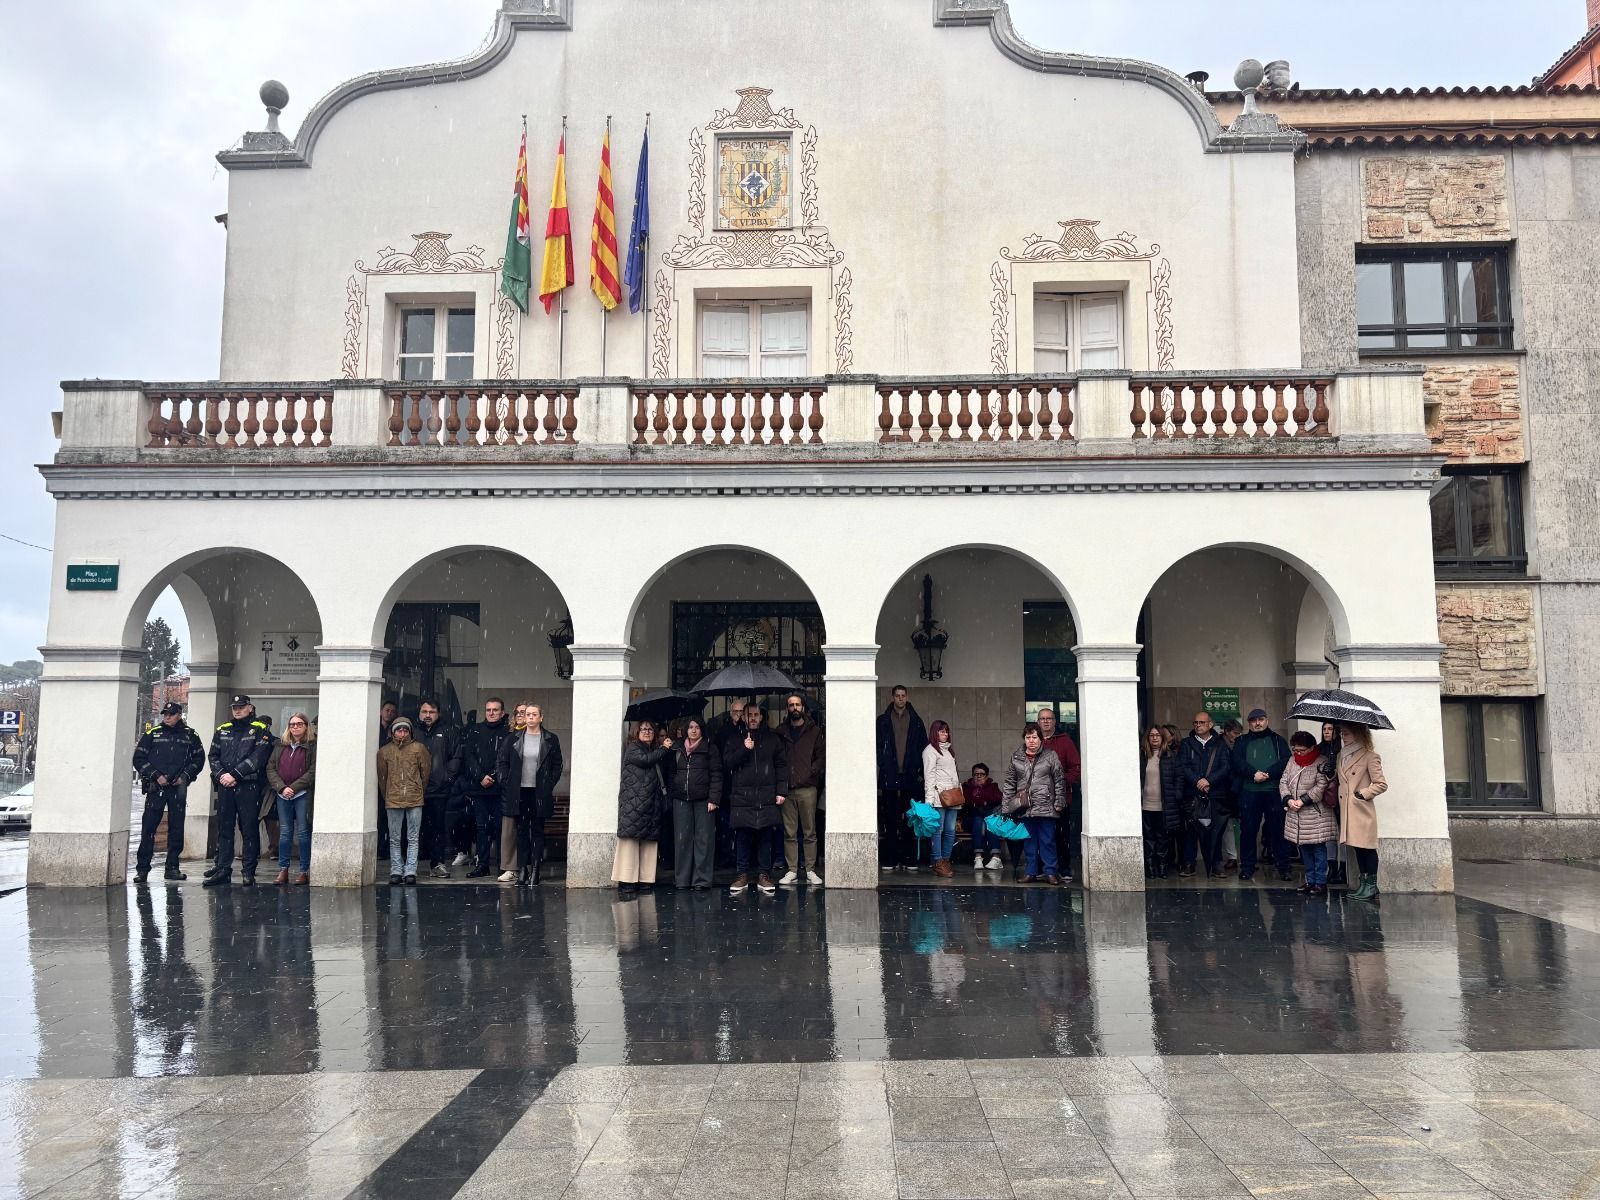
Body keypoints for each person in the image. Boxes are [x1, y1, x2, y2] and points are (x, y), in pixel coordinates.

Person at [131, 701, 206, 883]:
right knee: (149, 828)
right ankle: (142, 869)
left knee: (176, 828)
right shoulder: (152, 734)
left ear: (179, 715)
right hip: (156, 787)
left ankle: (172, 868)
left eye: (171, 714)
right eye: (165, 714)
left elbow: (199, 759)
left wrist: (185, 776)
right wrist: (155, 775)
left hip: (178, 787)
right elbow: (138, 758)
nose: (167, 717)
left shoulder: (190, 735)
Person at [203, 694, 273, 887]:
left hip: (248, 786)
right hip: (226, 786)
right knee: (225, 829)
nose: (238, 710)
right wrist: (221, 776)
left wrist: (235, 774)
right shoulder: (223, 729)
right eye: (235, 707)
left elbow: (258, 757)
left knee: (248, 829)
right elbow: (213, 755)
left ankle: (248, 871)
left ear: (250, 707)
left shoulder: (260, 729)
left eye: (241, 707)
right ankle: (223, 869)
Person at [723, 704, 788, 895]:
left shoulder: (772, 739)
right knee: (743, 836)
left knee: (765, 837)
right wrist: (744, 749)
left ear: (761, 717)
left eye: (756, 715)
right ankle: (742, 874)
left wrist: (781, 791)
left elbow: (781, 765)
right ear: (743, 717)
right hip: (742, 796)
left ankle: (764, 875)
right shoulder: (734, 739)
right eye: (749, 715)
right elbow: (727, 763)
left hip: (766, 795)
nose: (753, 718)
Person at [497, 702, 563, 886]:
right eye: (528, 714)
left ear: (541, 718)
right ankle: (522, 870)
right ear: (524, 718)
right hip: (519, 792)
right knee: (522, 832)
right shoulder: (513, 739)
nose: (531, 717)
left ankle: (535, 870)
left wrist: (549, 783)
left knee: (538, 832)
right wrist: (506, 781)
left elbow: (557, 765)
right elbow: (502, 762)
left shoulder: (550, 739)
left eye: (534, 714)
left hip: (539, 792)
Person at [1231, 708, 1292, 882]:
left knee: (1279, 831)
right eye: (1253, 720)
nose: (1257, 723)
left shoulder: (1277, 740)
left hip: (1273, 791)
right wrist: (1253, 774)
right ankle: (1247, 867)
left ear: (1267, 721)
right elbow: (1236, 762)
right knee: (1248, 831)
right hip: (1249, 792)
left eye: (1261, 719)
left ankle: (1284, 867)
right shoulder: (1241, 741)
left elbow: (1286, 761)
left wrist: (1267, 774)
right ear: (1249, 723)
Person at [1001, 722, 1067, 884]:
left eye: (1034, 737)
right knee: (1029, 841)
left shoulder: (1050, 755)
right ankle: (1030, 872)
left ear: (1040, 739)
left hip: (1046, 805)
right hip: (1025, 807)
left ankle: (1050, 872)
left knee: (1047, 840)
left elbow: (1059, 780)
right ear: (1024, 739)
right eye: (1028, 737)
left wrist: (1059, 800)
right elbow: (1010, 783)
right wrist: (1006, 807)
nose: (1031, 740)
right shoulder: (1016, 757)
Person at [615, 719, 674, 894]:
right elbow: (646, 760)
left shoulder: (654, 750)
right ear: (636, 733)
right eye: (643, 729)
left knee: (649, 844)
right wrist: (664, 748)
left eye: (650, 729)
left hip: (650, 803)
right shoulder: (633, 749)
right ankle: (627, 880)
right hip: (633, 804)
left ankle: (646, 879)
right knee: (630, 843)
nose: (647, 732)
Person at [776, 693, 825, 886]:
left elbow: (821, 757)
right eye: (790, 705)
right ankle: (792, 870)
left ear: (803, 707)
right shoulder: (781, 732)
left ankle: (810, 869)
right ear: (787, 708)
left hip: (807, 788)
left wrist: (810, 772)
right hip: (787, 788)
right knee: (790, 833)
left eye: (797, 704)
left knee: (809, 832)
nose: (794, 708)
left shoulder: (814, 731)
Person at [1176, 711, 1232, 879]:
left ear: (1210, 725)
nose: (1198, 725)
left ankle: (1216, 864)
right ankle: (1189, 863)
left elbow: (1225, 766)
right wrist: (1197, 781)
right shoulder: (1186, 744)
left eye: (1201, 722)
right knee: (1191, 831)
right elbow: (1183, 766)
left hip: (1215, 794)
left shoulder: (1220, 744)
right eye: (1196, 722)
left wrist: (1208, 781)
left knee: (1215, 830)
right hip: (1193, 794)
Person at [876, 685, 926, 873]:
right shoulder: (882, 721)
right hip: (889, 776)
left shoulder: (916, 721)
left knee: (909, 819)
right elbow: (877, 745)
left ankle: (908, 858)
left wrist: (917, 770)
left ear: (907, 697)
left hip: (910, 776)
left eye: (903, 696)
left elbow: (922, 747)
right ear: (892, 697)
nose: (900, 699)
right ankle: (890, 858)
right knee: (890, 818)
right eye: (897, 696)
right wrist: (884, 762)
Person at [459, 697, 512, 878]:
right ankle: (482, 865)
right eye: (488, 710)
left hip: (499, 789)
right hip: (479, 788)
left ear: (502, 712)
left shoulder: (507, 732)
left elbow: (506, 758)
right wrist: (481, 776)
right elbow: (469, 756)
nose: (491, 713)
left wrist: (495, 776)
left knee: (499, 828)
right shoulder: (475, 731)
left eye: (495, 710)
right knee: (482, 828)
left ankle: (502, 865)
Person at [1281, 731, 1337, 895]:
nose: (1298, 753)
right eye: (1295, 750)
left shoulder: (1322, 761)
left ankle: (1320, 882)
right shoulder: (1292, 761)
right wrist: (1288, 799)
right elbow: (1284, 781)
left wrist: (1303, 800)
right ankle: (1310, 880)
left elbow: (1321, 786)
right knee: (1304, 849)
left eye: (1302, 750)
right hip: (1296, 813)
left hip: (1315, 813)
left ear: (1312, 747)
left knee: (1318, 848)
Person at [1336, 723, 1388, 901]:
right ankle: (1364, 884)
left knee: (1367, 848)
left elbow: (1381, 784)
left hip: (1361, 810)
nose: (1343, 736)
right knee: (1358, 848)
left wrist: (1363, 794)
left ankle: (1371, 886)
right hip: (1348, 811)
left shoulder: (1370, 756)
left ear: (1358, 734)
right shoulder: (1341, 756)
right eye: (1342, 733)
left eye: (1347, 733)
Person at [377, 718, 431, 885]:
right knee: (394, 837)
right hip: (393, 798)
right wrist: (388, 794)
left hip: (414, 798)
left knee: (413, 837)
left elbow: (425, 773)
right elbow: (382, 777)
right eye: (399, 730)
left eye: (405, 730)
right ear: (393, 732)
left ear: (410, 731)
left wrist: (417, 788)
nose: (402, 733)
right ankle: (396, 870)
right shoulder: (384, 751)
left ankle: (410, 870)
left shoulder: (419, 748)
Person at [266, 712, 316, 885]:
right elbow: (271, 768)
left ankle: (303, 871)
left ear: (306, 726)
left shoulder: (312, 745)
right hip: (282, 794)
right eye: (292, 724)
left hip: (302, 794)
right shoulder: (280, 745)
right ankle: (283, 870)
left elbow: (313, 771)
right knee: (285, 833)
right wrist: (282, 787)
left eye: (299, 724)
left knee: (303, 832)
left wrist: (293, 788)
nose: (295, 727)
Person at [673, 717, 722, 890]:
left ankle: (701, 880)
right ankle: (682, 880)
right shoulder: (677, 748)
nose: (694, 730)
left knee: (704, 840)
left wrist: (714, 799)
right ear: (686, 729)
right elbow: (670, 772)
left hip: (704, 800)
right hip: (681, 799)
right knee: (682, 840)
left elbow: (717, 774)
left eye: (697, 727)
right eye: (691, 727)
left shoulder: (710, 748)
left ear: (702, 730)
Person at [1034, 707, 1082, 881]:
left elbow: (1076, 769)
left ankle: (1064, 869)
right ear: (1037, 722)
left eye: (1049, 718)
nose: (1046, 721)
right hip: (1038, 800)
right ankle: (1042, 869)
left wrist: (1059, 782)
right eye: (1042, 719)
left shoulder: (1064, 742)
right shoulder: (1032, 740)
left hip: (1060, 798)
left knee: (1061, 835)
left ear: (1055, 721)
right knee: (1041, 835)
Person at [415, 699, 461, 878]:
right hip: (415, 790)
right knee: (412, 829)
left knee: (437, 829)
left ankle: (437, 863)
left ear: (438, 713)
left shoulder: (448, 731)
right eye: (424, 712)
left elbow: (456, 756)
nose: (427, 715)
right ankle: (410, 865)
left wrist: (446, 777)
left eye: (431, 712)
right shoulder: (413, 731)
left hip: (438, 790)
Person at [1138, 725, 1182, 879]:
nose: (1154, 738)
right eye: (1151, 735)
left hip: (1164, 805)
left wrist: (1175, 795)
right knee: (1149, 838)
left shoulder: (1170, 756)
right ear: (1147, 738)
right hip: (1146, 804)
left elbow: (1179, 778)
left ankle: (1162, 867)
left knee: (1163, 838)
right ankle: (1150, 868)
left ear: (1163, 738)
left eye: (1157, 735)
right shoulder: (1142, 757)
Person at [922, 719, 962, 878]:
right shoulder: (930, 750)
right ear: (935, 732)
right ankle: (938, 861)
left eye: (946, 731)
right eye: (941, 731)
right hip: (939, 796)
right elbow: (929, 776)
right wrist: (929, 801)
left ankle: (945, 860)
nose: (945, 734)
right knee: (938, 830)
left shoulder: (949, 751)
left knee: (951, 831)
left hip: (952, 795)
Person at [964, 762, 1004, 871]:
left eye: (982, 774)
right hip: (971, 820)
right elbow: (967, 801)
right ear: (972, 775)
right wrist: (984, 802)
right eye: (976, 774)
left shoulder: (992, 786)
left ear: (986, 776)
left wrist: (981, 794)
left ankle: (996, 858)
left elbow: (998, 799)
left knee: (989, 820)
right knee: (978, 819)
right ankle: (978, 857)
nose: (979, 776)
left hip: (988, 819)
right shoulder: (967, 787)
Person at [376, 700, 398, 861]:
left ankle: (386, 849)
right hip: (375, 776)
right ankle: (379, 848)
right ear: (380, 711)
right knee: (377, 815)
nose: (389, 713)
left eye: (392, 711)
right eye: (387, 710)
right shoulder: (374, 727)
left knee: (387, 815)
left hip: (390, 778)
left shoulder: (395, 731)